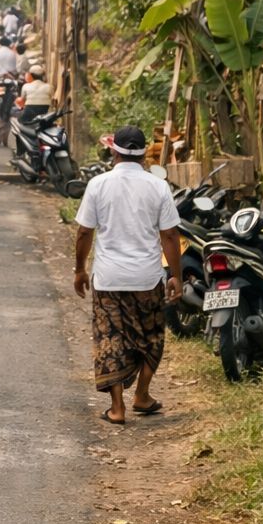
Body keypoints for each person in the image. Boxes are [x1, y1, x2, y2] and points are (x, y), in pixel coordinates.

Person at [73, 126, 182, 425]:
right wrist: (176, 276)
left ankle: (117, 408)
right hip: (147, 278)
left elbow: (84, 231)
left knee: (110, 340)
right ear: (146, 153)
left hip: (108, 279)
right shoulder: (158, 186)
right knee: (151, 339)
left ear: (114, 150)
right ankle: (143, 395)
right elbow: (170, 235)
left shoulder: (98, 184)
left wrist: (80, 269)